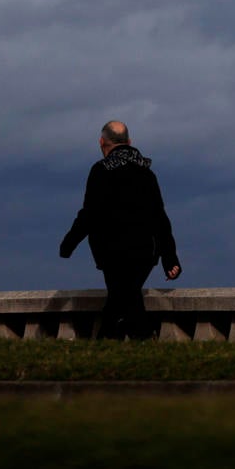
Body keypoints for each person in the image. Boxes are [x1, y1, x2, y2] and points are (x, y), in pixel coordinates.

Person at [59, 119, 182, 339]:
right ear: (129, 141)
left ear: (102, 142)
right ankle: (120, 340)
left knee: (122, 294)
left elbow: (89, 213)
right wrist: (169, 257)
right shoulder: (146, 172)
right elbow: (160, 217)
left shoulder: (101, 170)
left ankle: (134, 338)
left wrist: (69, 243)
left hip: (112, 251)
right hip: (145, 250)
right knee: (124, 295)